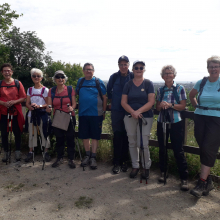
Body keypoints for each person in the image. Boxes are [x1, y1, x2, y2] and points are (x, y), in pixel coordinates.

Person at [189, 55, 220, 197]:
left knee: (208, 147)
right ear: (207, 68)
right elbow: (192, 95)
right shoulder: (202, 82)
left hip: (216, 119)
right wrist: (198, 108)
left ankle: (202, 183)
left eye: (216, 66)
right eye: (211, 66)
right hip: (200, 117)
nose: (213, 69)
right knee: (203, 147)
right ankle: (208, 182)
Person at [156, 65, 189, 191]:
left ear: (174, 75)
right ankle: (163, 173)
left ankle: (184, 177)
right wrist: (162, 105)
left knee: (178, 150)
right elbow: (157, 107)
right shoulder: (160, 90)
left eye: (170, 73)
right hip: (162, 121)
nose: (168, 75)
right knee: (162, 148)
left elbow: (183, 106)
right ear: (162, 76)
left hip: (176, 122)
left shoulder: (180, 88)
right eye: (165, 73)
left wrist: (170, 105)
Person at [121, 60, 155, 179]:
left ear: (144, 69)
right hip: (130, 116)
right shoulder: (128, 84)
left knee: (143, 143)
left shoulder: (148, 83)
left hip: (145, 117)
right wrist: (133, 112)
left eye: (141, 68)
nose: (139, 70)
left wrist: (138, 112)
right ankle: (135, 166)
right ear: (133, 69)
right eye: (136, 68)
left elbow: (151, 102)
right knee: (132, 141)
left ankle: (146, 166)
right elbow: (123, 102)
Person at [75, 63, 107, 169]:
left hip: (96, 114)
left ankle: (93, 157)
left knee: (95, 136)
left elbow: (105, 97)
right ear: (83, 71)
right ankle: (87, 155)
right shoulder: (81, 81)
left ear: (94, 71)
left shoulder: (98, 82)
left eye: (91, 69)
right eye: (87, 69)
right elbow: (75, 94)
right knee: (84, 136)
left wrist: (104, 111)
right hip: (83, 113)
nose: (89, 71)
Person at [107, 55, 134, 174]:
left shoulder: (133, 76)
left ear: (128, 65)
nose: (123, 66)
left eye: (125, 64)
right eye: (121, 64)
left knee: (128, 136)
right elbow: (109, 92)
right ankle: (116, 162)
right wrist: (113, 103)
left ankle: (125, 162)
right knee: (117, 136)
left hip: (130, 110)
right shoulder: (113, 77)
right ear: (118, 65)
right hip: (117, 111)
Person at [46, 70, 77, 169]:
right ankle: (60, 157)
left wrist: (72, 107)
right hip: (57, 117)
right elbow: (49, 103)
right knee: (59, 139)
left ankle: (71, 158)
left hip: (69, 116)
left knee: (70, 138)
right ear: (54, 79)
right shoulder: (52, 90)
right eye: (58, 77)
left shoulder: (70, 89)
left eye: (62, 77)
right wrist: (49, 107)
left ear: (65, 78)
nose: (60, 79)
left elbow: (74, 103)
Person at [0, 63, 26, 162]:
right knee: (4, 133)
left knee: (17, 132)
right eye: (5, 71)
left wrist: (14, 102)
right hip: (3, 112)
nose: (7, 72)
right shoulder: (0, 84)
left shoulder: (17, 83)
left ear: (12, 72)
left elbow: (23, 97)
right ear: (2, 73)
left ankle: (17, 152)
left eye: (8, 70)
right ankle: (6, 153)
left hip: (15, 112)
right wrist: (3, 103)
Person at [25, 68, 51, 163]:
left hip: (42, 115)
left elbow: (48, 103)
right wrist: (30, 107)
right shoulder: (30, 89)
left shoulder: (45, 90)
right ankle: (31, 151)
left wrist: (39, 106)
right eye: (34, 76)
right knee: (32, 133)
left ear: (41, 78)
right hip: (32, 115)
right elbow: (27, 103)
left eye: (38, 76)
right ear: (32, 78)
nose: (36, 77)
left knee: (44, 132)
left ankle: (46, 151)